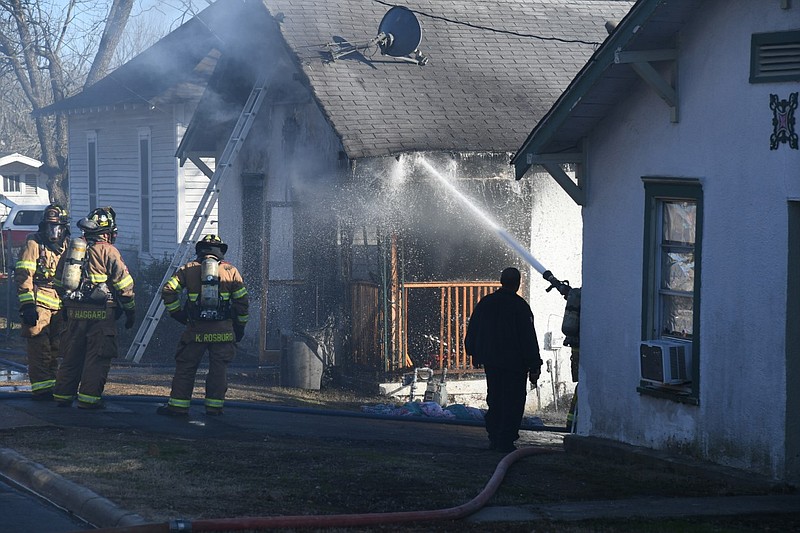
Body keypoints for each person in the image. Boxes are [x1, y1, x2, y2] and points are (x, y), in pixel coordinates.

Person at [52, 206, 136, 409]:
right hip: (101, 315)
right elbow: (124, 285)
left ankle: (62, 396)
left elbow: (58, 282)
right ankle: (88, 401)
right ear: (107, 233)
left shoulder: (72, 249)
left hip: (74, 312)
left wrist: (66, 306)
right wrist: (130, 310)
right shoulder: (108, 250)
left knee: (71, 356)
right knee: (97, 358)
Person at [157, 234, 249, 417]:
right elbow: (242, 303)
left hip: (196, 330)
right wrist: (240, 327)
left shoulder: (188, 269)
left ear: (200, 250)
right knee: (218, 370)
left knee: (186, 367)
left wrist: (177, 313)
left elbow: (168, 290)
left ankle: (178, 407)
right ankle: (214, 408)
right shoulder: (231, 271)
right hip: (223, 332)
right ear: (220, 251)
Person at [464, 267, 542, 453]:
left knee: (495, 399)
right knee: (513, 402)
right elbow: (528, 338)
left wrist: (473, 352)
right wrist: (534, 365)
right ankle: (506, 441)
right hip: (515, 365)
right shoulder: (520, 307)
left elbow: (473, 328)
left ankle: (494, 438)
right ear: (518, 283)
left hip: (492, 362)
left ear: (501, 281)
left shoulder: (486, 303)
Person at [14, 204, 70, 401]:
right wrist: (27, 304)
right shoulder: (34, 243)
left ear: (64, 227)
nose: (53, 231)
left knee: (56, 348)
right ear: (43, 226)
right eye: (49, 226)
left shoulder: (68, 246)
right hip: (39, 303)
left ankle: (52, 386)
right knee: (39, 347)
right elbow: (24, 274)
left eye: (57, 227)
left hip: (60, 304)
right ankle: (41, 390)